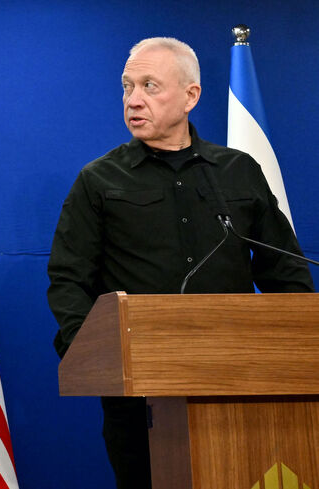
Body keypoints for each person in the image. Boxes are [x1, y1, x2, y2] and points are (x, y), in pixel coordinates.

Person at [47, 37, 314, 488]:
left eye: (150, 86)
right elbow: (68, 280)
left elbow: (285, 270)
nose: (134, 99)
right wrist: (100, 354)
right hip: (141, 396)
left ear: (191, 96)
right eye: (127, 86)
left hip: (241, 382)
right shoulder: (98, 180)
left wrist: (302, 345)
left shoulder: (238, 171)